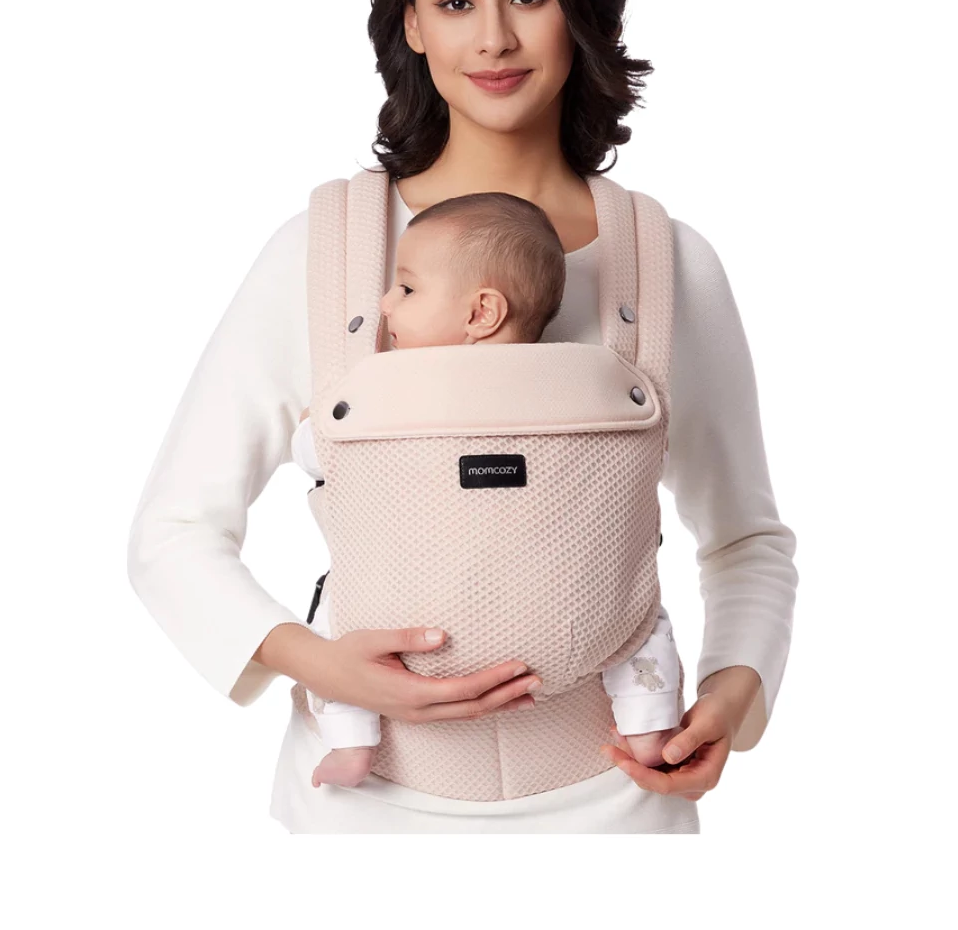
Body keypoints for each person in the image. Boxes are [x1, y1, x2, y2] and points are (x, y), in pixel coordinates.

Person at [127, 0, 799, 833]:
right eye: (454, 2)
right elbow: (173, 534)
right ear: (411, 24)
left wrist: (733, 699)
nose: (492, 38)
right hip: (361, 821)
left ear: (579, 11)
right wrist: (323, 667)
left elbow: (745, 540)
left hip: (619, 812)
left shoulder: (666, 264)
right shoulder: (325, 255)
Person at [288, 190, 684, 790]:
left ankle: (350, 742)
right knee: (641, 623)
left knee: (337, 623)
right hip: (582, 627)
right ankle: (649, 727)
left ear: (482, 313)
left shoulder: (383, 389)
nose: (385, 303)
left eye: (407, 289)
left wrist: (306, 431)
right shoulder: (593, 388)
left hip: (403, 631)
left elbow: (321, 456)